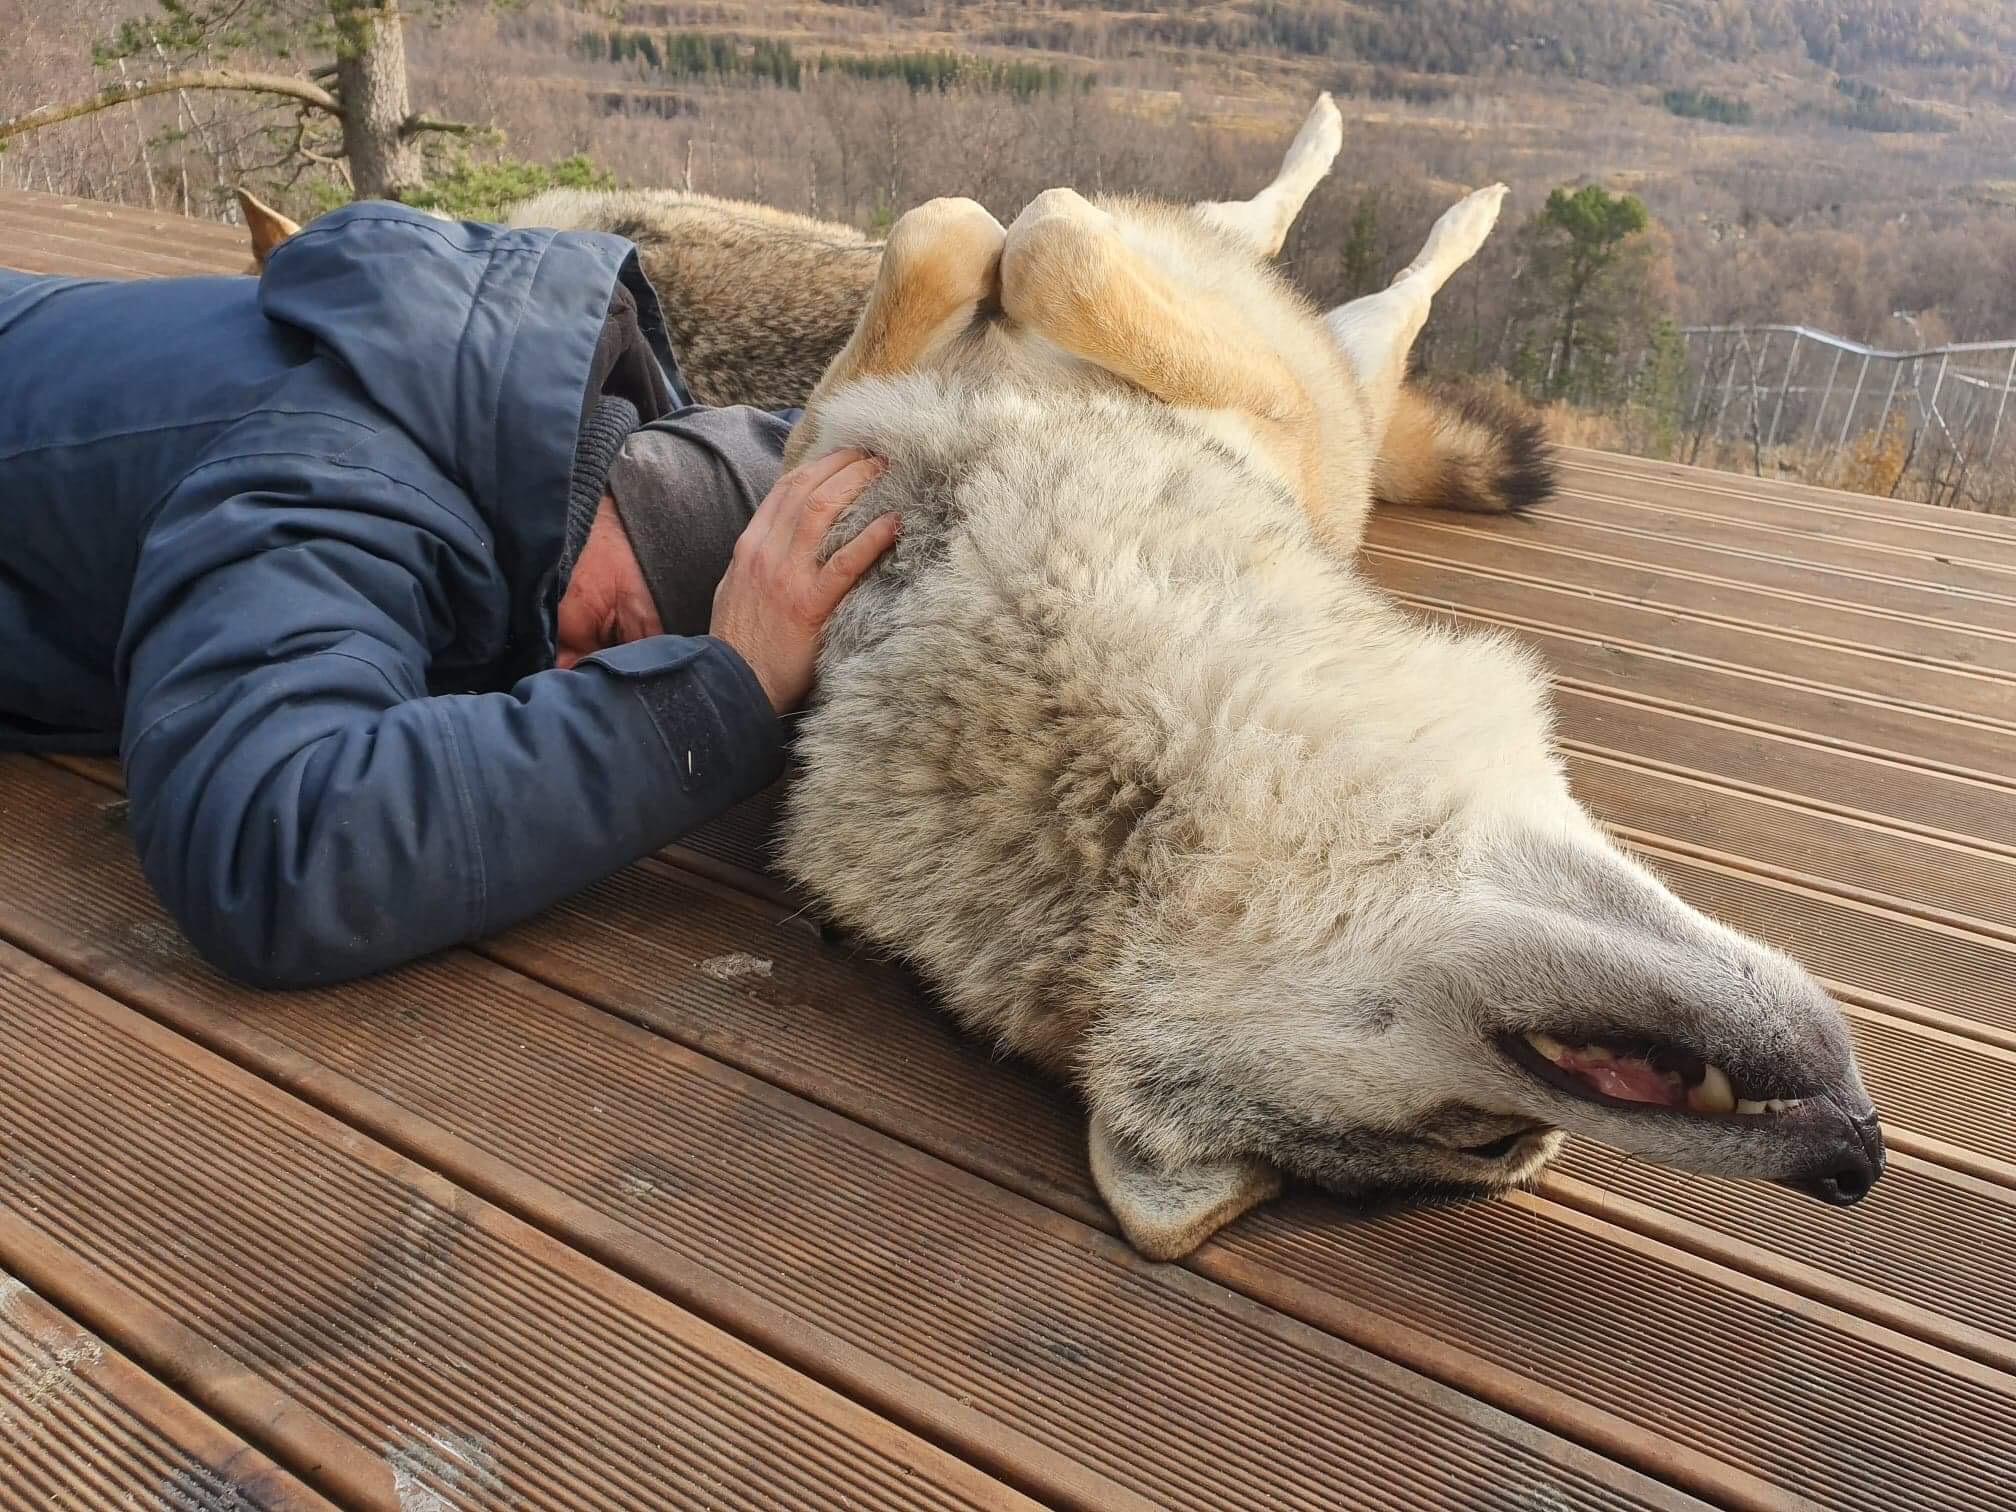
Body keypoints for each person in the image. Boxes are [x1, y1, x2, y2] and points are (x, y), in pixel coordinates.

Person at [0, 200, 898, 987]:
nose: (569, 671)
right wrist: (710, 703)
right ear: (629, 485)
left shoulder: (497, 415)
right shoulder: (349, 476)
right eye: (617, 629)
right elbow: (271, 845)